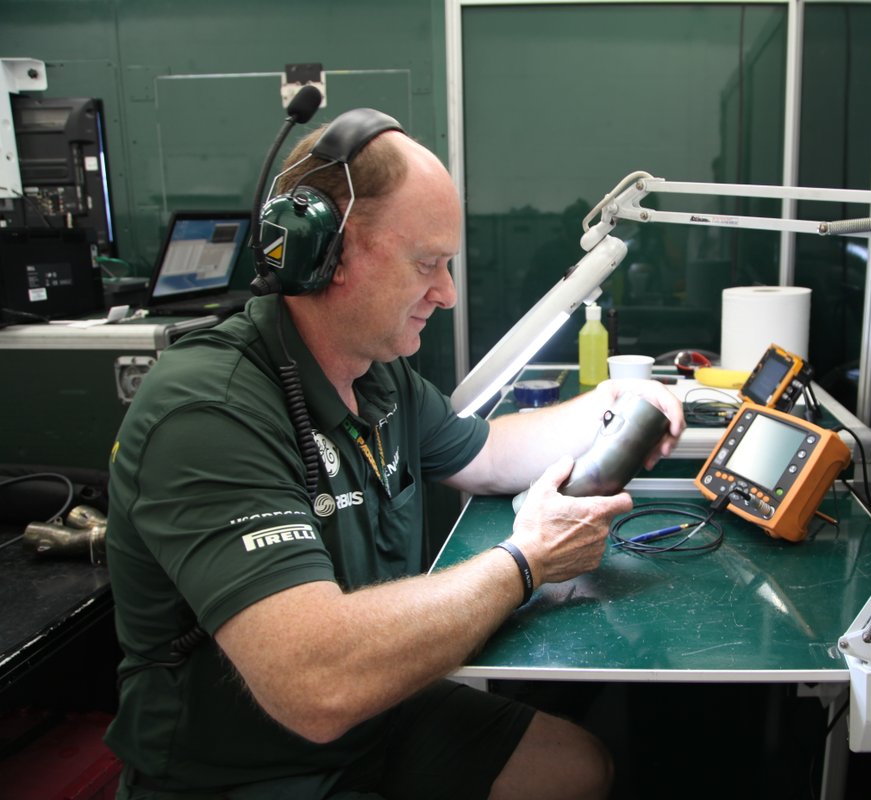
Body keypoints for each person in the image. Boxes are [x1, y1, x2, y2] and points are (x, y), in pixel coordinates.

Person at [103, 117, 685, 799]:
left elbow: (488, 453)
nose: (447, 294)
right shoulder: (207, 409)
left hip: (378, 718)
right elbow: (315, 683)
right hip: (245, 768)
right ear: (327, 254)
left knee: (578, 767)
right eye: (427, 264)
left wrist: (612, 404)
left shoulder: (377, 375)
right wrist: (528, 562)